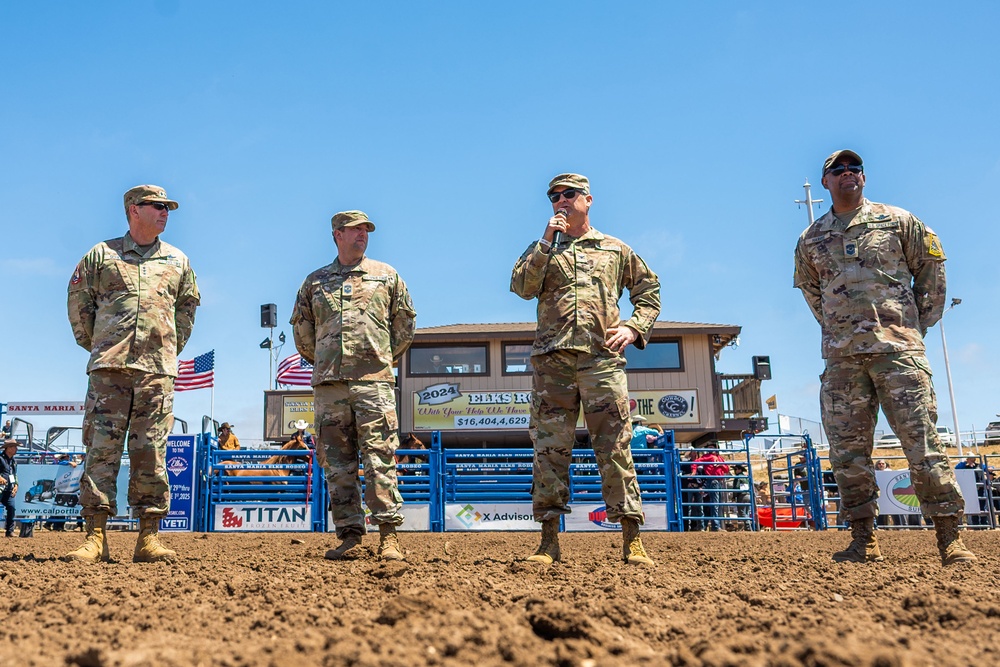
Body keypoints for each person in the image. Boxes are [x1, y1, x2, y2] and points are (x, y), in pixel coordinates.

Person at [793, 149, 974, 565]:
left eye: (854, 168)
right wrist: (842, 333)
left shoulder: (899, 221)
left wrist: (912, 327)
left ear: (864, 176)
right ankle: (863, 539)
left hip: (899, 355)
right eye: (837, 170)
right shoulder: (811, 239)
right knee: (847, 454)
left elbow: (932, 273)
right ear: (825, 183)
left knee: (923, 445)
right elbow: (812, 293)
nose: (847, 174)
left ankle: (950, 537)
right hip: (842, 361)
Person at [511, 173, 661, 566]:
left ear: (588, 200)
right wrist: (546, 241)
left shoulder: (614, 249)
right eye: (554, 196)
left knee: (615, 448)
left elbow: (649, 291)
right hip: (553, 365)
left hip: (601, 362)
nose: (561, 200)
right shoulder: (542, 247)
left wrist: (633, 326)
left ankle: (631, 539)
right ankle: (548, 542)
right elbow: (521, 287)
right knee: (549, 451)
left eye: (569, 194)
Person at [65, 184, 200, 564]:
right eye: (156, 206)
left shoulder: (178, 261)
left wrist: (165, 351)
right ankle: (95, 536)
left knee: (151, 454)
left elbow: (186, 313)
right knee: (101, 452)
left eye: (167, 207)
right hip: (109, 371)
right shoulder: (101, 255)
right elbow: (79, 308)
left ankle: (148, 537)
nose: (165, 212)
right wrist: (102, 347)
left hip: (156, 374)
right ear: (132, 209)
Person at [291, 210, 416, 562]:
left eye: (366, 230)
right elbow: (303, 332)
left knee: (380, 458)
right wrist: (325, 360)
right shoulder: (314, 282)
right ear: (336, 234)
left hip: (373, 383)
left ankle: (388, 536)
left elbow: (404, 325)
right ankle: (349, 535)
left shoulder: (386, 276)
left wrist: (380, 358)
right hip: (330, 386)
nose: (362, 235)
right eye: (354, 230)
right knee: (337, 464)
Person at [694, 447, 730, 531]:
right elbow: (696, 462)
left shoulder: (718, 457)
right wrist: (694, 471)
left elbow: (726, 469)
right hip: (714, 480)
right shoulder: (709, 457)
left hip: (717, 481)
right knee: (715, 504)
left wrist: (721, 465)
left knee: (717, 504)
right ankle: (716, 526)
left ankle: (715, 525)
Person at [1, 440, 19, 537]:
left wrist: (16, 485)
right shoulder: (0, 459)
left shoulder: (13, 461)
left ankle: (9, 531)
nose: (16, 449)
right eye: (14, 447)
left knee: (11, 508)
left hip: (9, 488)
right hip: (0, 488)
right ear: (8, 448)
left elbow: (14, 475)